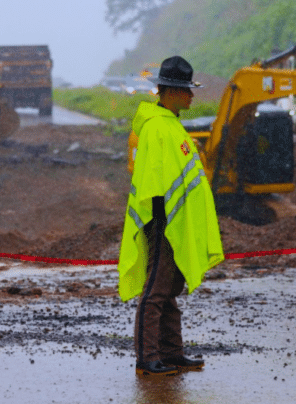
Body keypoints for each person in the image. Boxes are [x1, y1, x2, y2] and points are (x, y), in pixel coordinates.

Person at [118, 56, 225, 376]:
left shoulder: (170, 123)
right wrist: (164, 223)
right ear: (172, 91)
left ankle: (173, 353)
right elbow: (155, 181)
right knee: (155, 291)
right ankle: (147, 357)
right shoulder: (157, 127)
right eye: (187, 90)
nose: (192, 96)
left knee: (169, 291)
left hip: (174, 221)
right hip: (164, 221)